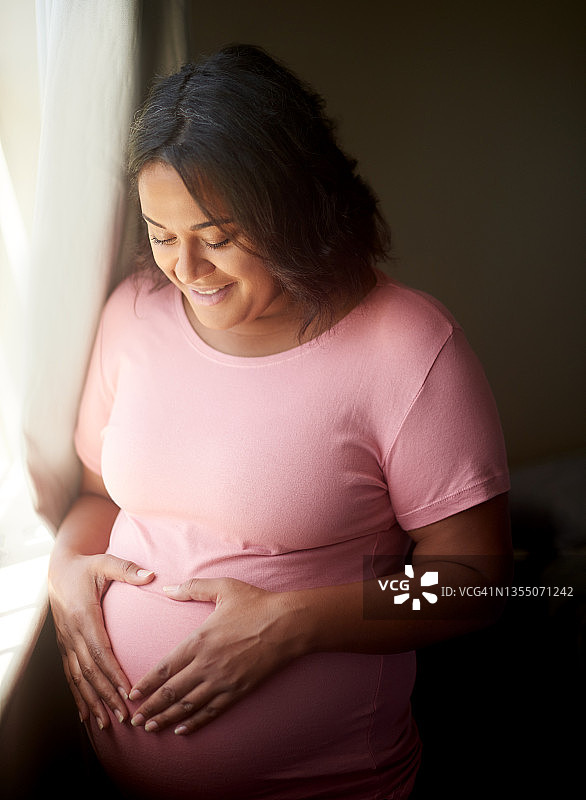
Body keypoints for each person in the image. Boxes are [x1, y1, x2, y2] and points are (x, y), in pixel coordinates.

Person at [48, 44, 511, 800]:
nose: (186, 270)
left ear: (294, 208)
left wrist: (294, 622)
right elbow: (101, 497)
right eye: (163, 236)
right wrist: (66, 572)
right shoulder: (134, 314)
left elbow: (477, 582)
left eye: (218, 236)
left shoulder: (407, 347)